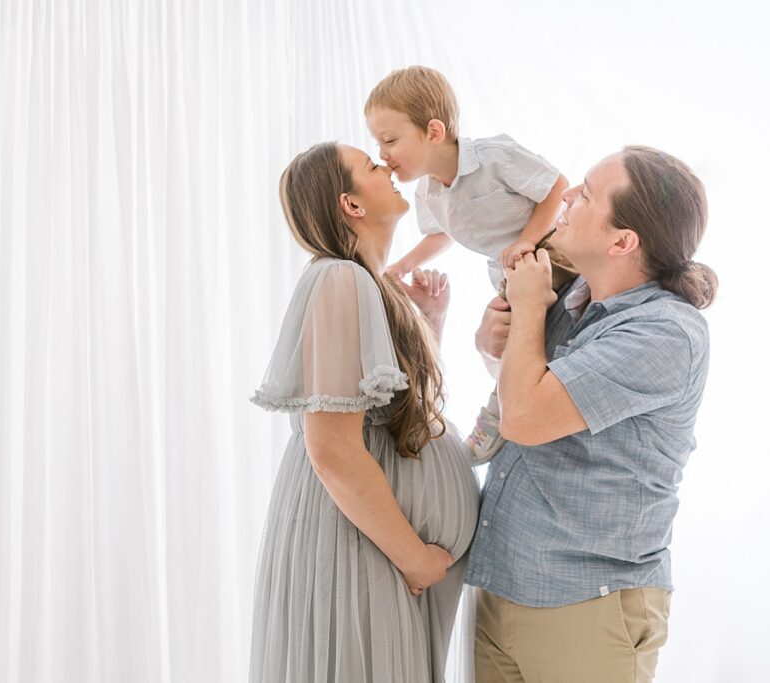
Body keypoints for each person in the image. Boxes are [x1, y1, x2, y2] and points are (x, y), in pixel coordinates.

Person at [466, 146, 718, 683]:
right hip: (506, 580)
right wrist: (492, 346)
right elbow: (532, 394)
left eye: (586, 192)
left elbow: (526, 419)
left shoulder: (666, 332)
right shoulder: (575, 295)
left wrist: (530, 305)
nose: (567, 196)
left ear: (622, 241)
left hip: (586, 602)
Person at [248, 142, 480, 683]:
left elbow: (395, 413)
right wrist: (413, 557)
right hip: (362, 547)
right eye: (374, 167)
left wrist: (426, 324)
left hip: (374, 546)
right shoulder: (339, 278)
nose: (390, 168)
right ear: (351, 204)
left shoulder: (365, 283)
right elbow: (331, 449)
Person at [364, 65, 575, 461]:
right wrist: (401, 265)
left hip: (553, 253)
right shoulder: (429, 191)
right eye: (377, 144)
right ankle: (507, 412)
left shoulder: (494, 158)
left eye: (390, 140)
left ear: (433, 132)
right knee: (512, 343)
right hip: (509, 275)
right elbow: (441, 234)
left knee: (519, 342)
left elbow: (556, 188)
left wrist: (527, 241)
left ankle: (496, 420)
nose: (383, 155)